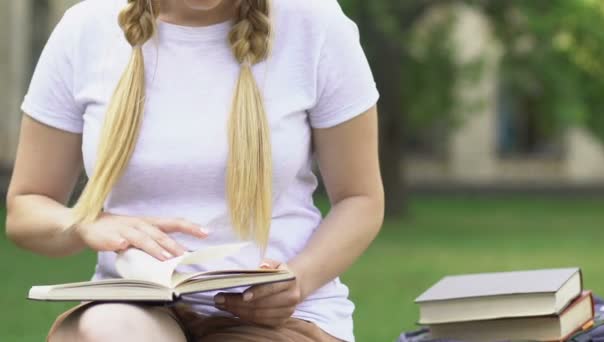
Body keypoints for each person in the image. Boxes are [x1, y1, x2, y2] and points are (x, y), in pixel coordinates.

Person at [5, 0, 384, 340]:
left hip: (281, 320)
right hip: (133, 305)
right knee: (107, 331)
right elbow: (26, 207)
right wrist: (86, 223)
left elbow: (360, 199)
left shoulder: (316, 23)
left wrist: (299, 279)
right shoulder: (84, 28)